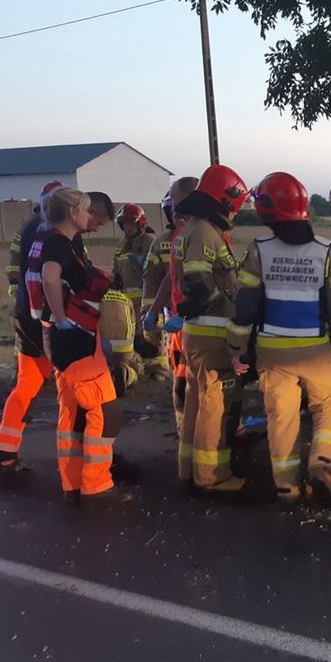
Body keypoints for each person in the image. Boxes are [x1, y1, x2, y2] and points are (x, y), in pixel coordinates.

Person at [227, 172, 331, 504]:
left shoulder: (259, 251)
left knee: (281, 418)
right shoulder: (326, 251)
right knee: (328, 407)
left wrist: (238, 349)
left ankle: (287, 489)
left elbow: (246, 306)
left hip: (273, 351)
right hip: (317, 349)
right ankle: (323, 463)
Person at [0, 188, 112, 483]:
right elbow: (53, 278)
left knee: (26, 386)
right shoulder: (61, 238)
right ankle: (88, 471)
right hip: (50, 324)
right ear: (82, 211)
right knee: (80, 398)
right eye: (97, 219)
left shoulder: (35, 227)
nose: (96, 226)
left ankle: (4, 454)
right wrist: (62, 319)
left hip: (27, 316)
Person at [35, 188, 128, 504]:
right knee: (104, 411)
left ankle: (73, 483)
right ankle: (97, 486)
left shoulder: (55, 240)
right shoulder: (58, 244)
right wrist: (62, 317)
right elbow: (50, 278)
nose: (91, 216)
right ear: (73, 212)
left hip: (61, 338)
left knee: (73, 414)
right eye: (87, 210)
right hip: (74, 338)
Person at [173, 165, 249, 492]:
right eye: (235, 205)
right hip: (213, 334)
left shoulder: (194, 229)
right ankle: (211, 476)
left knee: (195, 401)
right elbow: (198, 280)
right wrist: (227, 296)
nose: (235, 212)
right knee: (215, 404)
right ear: (224, 200)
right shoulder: (204, 232)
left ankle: (188, 469)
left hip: (198, 333)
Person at [142, 177, 200, 432]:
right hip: (180, 325)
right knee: (181, 382)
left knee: (208, 386)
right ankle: (185, 431)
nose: (174, 211)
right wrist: (153, 310)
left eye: (176, 204)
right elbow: (169, 276)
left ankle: (205, 434)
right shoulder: (175, 238)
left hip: (202, 324)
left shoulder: (203, 235)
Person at [111, 203, 155, 315]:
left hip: (146, 301)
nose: (128, 227)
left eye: (131, 223)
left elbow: (156, 272)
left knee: (149, 332)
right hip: (126, 301)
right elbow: (116, 267)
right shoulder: (121, 244)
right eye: (125, 224)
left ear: (140, 223)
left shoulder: (150, 242)